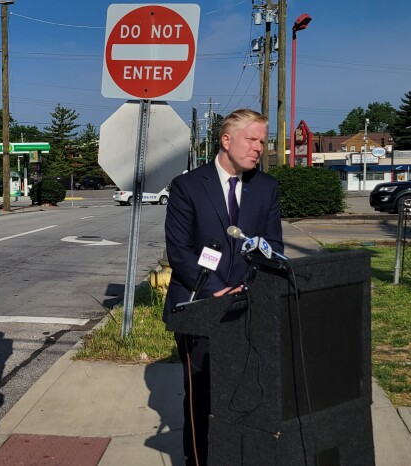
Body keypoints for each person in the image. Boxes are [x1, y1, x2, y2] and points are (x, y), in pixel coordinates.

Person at [163, 108, 283, 465]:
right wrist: (217, 289)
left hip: (249, 306)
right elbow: (179, 251)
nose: (259, 147)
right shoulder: (187, 186)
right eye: (252, 139)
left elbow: (273, 247)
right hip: (200, 307)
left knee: (245, 393)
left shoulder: (266, 187)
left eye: (263, 140)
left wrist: (248, 288)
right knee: (202, 396)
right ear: (226, 140)